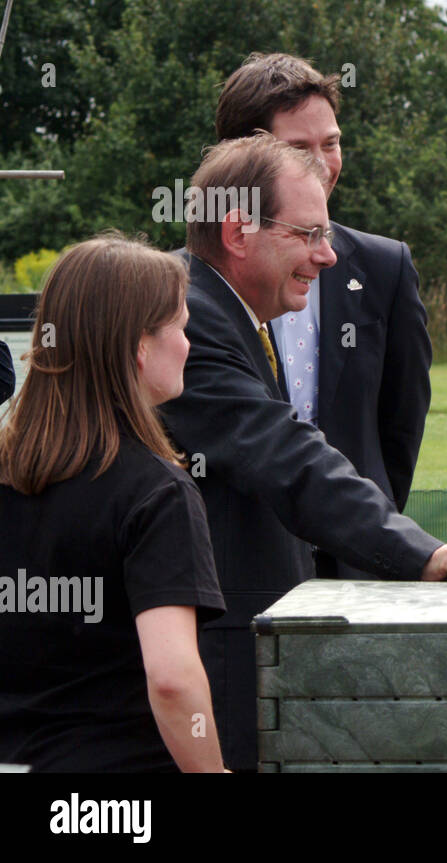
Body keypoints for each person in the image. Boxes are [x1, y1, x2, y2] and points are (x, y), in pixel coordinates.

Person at [160, 134, 447, 770]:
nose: (328, 255)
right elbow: (285, 456)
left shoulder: (229, 311)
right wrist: (423, 552)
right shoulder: (192, 317)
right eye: (309, 234)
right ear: (238, 233)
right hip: (222, 661)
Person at [0, 234, 227, 771]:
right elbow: (173, 680)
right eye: (180, 326)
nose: (189, 345)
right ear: (138, 346)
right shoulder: (158, 493)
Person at [215, 53, 433, 579]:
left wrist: (372, 533)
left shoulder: (384, 267)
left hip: (360, 570)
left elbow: (400, 428)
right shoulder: (198, 287)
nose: (325, 164)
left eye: (331, 143)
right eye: (299, 148)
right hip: (239, 575)